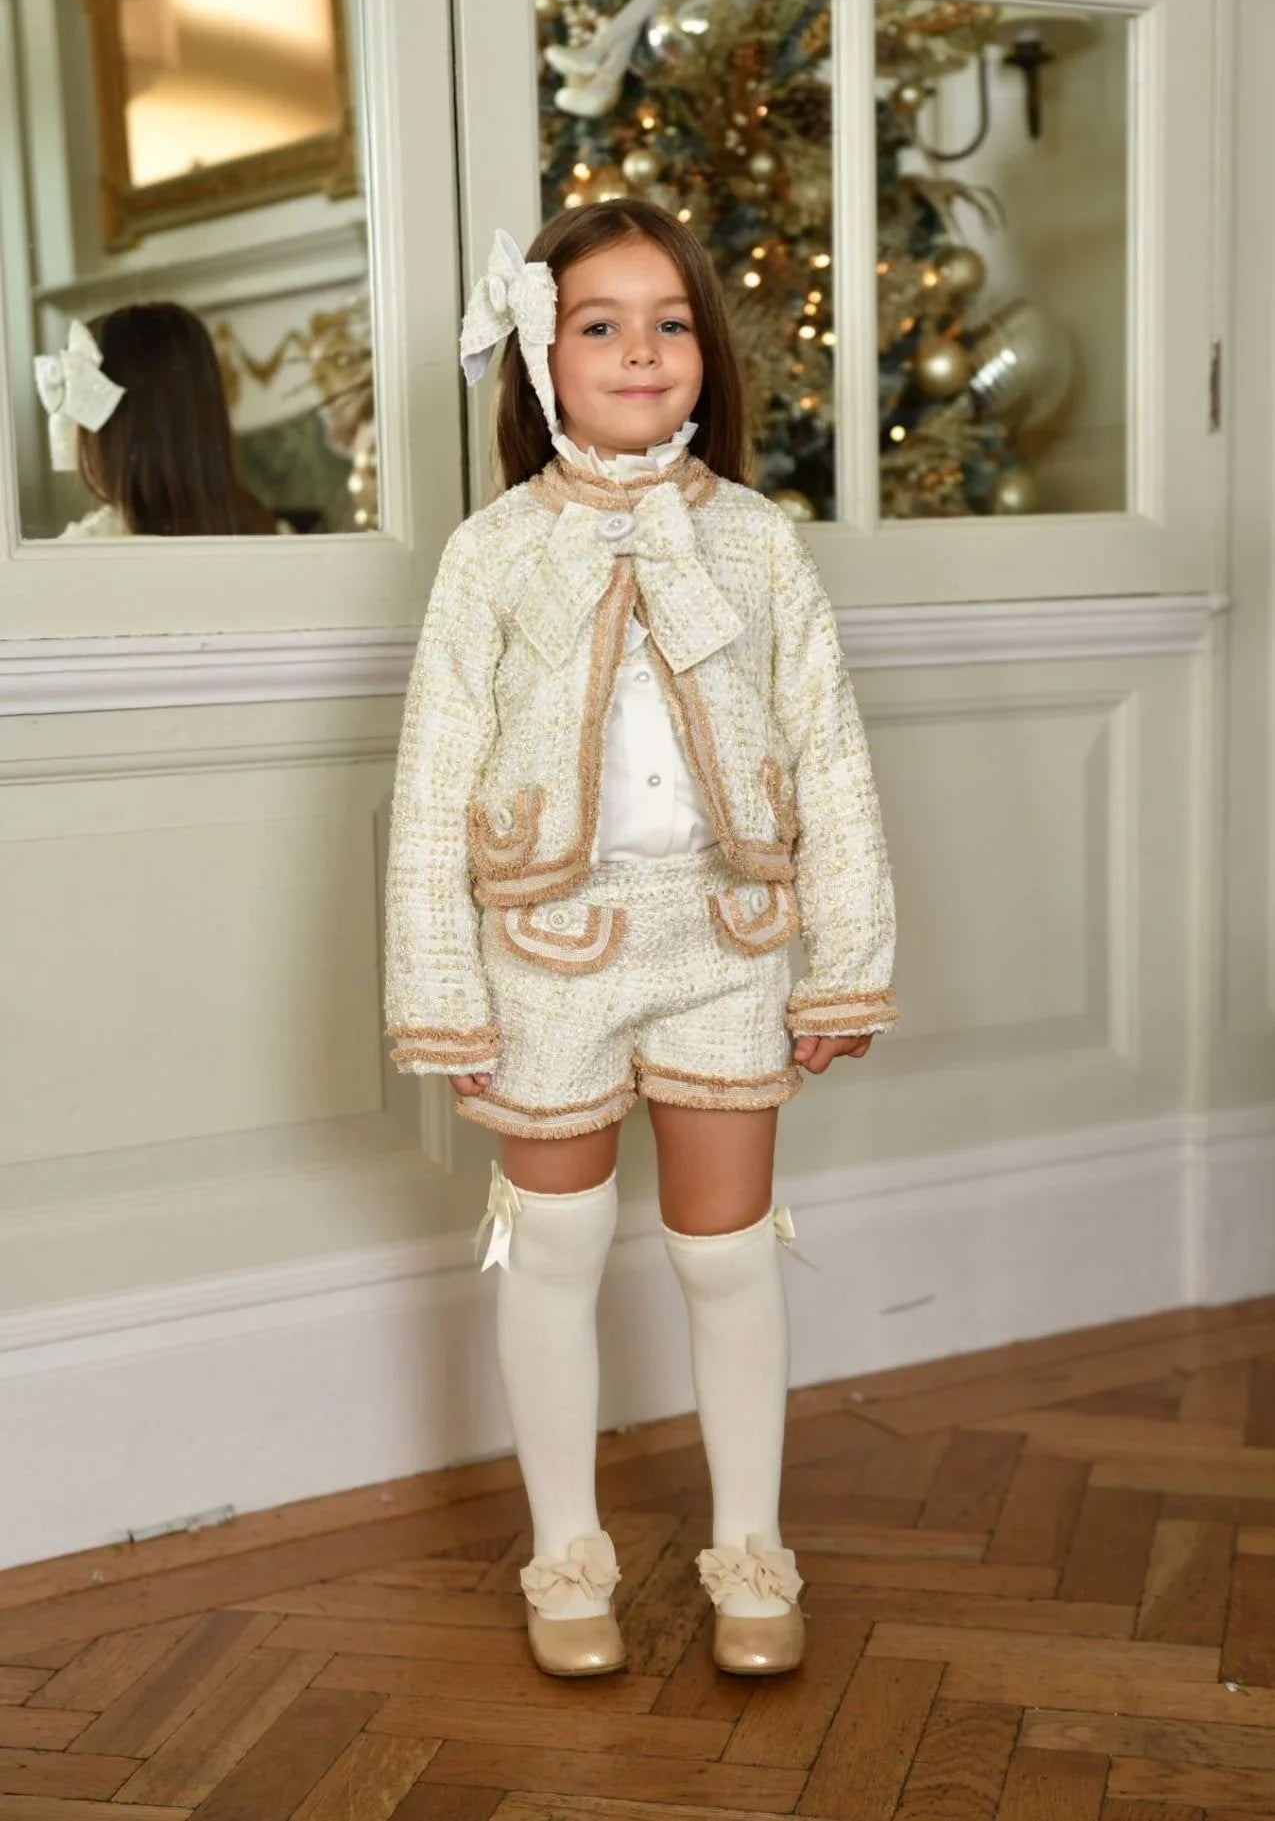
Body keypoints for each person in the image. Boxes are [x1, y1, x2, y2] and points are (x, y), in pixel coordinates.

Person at [384, 199, 898, 1681]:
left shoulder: (754, 543)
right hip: (542, 952)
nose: (640, 349)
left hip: (730, 940)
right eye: (599, 322)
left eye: (668, 321)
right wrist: (439, 990)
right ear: (540, 354)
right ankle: (566, 1554)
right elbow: (431, 785)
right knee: (551, 1245)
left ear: (706, 351)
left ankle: (749, 1548)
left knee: (724, 1254)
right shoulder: (490, 556)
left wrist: (841, 954)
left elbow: (830, 753)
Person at [33, 304, 277, 539]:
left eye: (79, 413)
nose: (72, 429)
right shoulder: (260, 528)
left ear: (116, 434)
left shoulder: (87, 552)